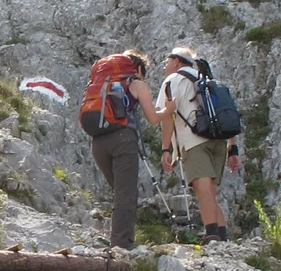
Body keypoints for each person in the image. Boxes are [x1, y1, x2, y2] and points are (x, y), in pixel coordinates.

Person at [155, 45, 240, 243]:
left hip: (194, 140)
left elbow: (167, 116)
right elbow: (227, 113)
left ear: (176, 61)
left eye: (167, 62)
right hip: (219, 140)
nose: (165, 66)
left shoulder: (173, 80)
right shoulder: (209, 80)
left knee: (202, 189)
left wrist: (166, 149)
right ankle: (222, 238)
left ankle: (212, 236)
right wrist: (233, 148)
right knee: (210, 192)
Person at [78, 50, 151, 249]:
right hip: (122, 139)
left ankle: (116, 239)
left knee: (120, 192)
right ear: (137, 69)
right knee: (126, 194)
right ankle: (122, 246)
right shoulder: (136, 83)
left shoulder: (104, 84)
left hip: (98, 142)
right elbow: (153, 118)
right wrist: (170, 109)